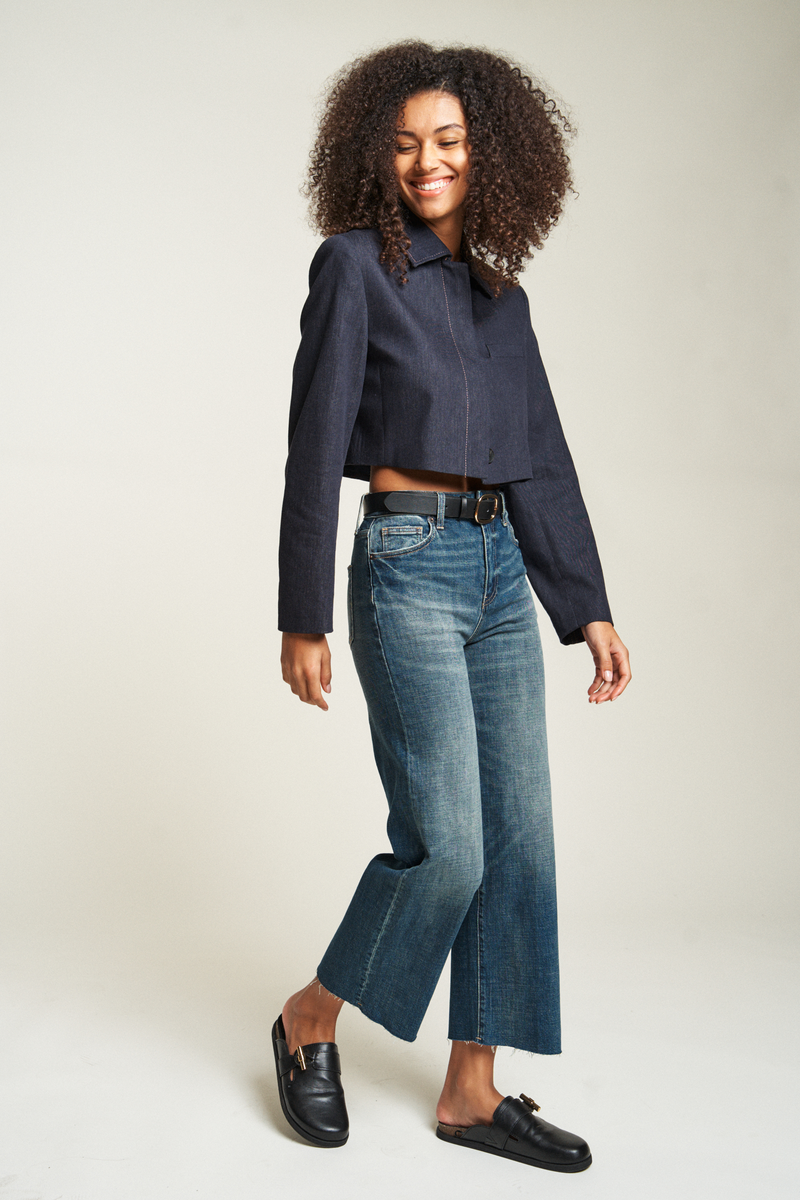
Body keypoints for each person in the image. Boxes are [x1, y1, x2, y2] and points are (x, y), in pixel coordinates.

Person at [273, 41, 631, 1173]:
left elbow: (541, 462)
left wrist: (585, 606)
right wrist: (301, 612)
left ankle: (471, 1094)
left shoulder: (499, 298)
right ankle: (310, 1016)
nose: (427, 161)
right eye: (405, 142)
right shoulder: (350, 269)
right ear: (374, 155)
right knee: (451, 850)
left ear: (490, 157)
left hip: (495, 580)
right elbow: (313, 443)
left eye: (450, 142)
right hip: (406, 562)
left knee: (517, 847)